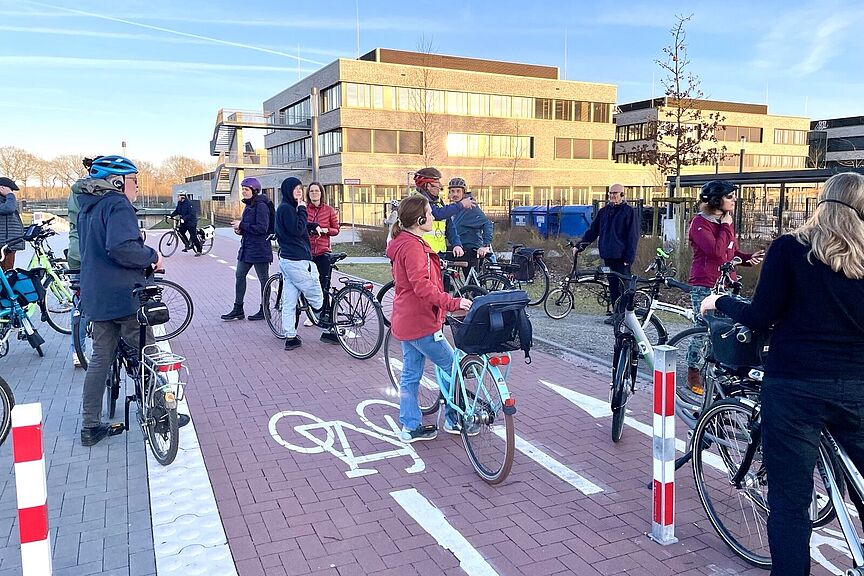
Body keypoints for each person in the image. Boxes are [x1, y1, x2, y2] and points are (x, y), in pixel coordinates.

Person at [700, 172, 864, 576]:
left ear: (822, 201)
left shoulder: (790, 249)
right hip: (859, 387)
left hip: (795, 388)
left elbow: (760, 316)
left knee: (790, 503)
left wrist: (720, 302)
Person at [75, 155, 164, 446]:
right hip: (124, 294)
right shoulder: (117, 204)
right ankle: (162, 412)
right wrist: (152, 256)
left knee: (100, 359)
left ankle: (90, 426)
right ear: (117, 181)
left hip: (96, 294)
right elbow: (121, 248)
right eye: (133, 179)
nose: (137, 185)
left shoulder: (86, 207)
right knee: (147, 352)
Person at [385, 195, 472, 442]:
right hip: (422, 321)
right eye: (430, 213)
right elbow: (422, 286)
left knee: (411, 375)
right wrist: (453, 303)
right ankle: (454, 420)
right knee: (454, 367)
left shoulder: (403, 242)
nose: (434, 217)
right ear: (420, 219)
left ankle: (410, 425)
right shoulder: (413, 247)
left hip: (405, 319)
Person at [685, 180, 764, 394]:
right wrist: (726, 226)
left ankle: (718, 373)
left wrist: (748, 259)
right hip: (705, 283)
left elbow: (730, 252)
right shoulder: (700, 224)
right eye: (730, 196)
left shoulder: (724, 222)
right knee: (703, 330)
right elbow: (716, 252)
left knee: (723, 331)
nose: (734, 200)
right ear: (716, 200)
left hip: (725, 282)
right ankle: (693, 371)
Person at [574, 183, 639, 325]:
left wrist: (629, 257)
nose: (612, 196)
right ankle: (616, 313)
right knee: (613, 285)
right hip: (607, 255)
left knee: (624, 287)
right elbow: (593, 231)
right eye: (610, 193)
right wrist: (580, 246)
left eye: (615, 193)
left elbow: (632, 236)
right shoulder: (603, 212)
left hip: (622, 257)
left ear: (622, 195)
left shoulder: (629, 212)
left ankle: (625, 316)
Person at [274, 177, 324, 351]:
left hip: (288, 260)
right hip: (298, 260)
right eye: (295, 189)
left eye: (300, 189)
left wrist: (312, 225)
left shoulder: (285, 208)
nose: (299, 192)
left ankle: (290, 337)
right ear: (288, 190)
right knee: (315, 292)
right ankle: (325, 320)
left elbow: (296, 227)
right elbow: (296, 229)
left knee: (289, 301)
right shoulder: (288, 209)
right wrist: (303, 209)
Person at [221, 177, 272, 321]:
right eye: (243, 189)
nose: (243, 192)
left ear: (254, 191)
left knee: (264, 280)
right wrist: (240, 230)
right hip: (247, 248)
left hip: (260, 249)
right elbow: (250, 226)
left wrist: (242, 225)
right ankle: (238, 309)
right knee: (239, 275)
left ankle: (264, 309)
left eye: (246, 189)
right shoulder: (249, 205)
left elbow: (263, 228)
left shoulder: (261, 205)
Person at [305, 181, 341, 344]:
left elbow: (336, 229)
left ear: (321, 193)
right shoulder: (304, 209)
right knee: (309, 284)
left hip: (323, 251)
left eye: (317, 191)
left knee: (323, 285)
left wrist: (325, 230)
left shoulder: (328, 210)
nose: (314, 194)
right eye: (311, 191)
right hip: (306, 252)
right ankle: (312, 314)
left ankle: (324, 313)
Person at [411, 167, 474, 254]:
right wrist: (461, 205)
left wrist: (456, 244)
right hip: (423, 252)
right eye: (437, 183)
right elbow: (437, 214)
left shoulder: (438, 202)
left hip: (439, 252)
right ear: (428, 186)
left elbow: (449, 226)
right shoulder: (418, 201)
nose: (440, 186)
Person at [446, 178, 493, 278]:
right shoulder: (456, 207)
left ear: (464, 192)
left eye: (458, 191)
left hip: (469, 248)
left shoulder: (470, 206)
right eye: (452, 191)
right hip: (461, 247)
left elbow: (487, 224)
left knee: (472, 284)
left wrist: (485, 245)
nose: (455, 194)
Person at [0, 176, 25, 271]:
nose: (11, 192)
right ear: (2, 188)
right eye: (10, 189)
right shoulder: (8, 200)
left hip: (9, 243)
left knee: (8, 272)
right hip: (4, 244)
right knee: (7, 273)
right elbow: (9, 208)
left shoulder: (5, 201)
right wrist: (10, 195)